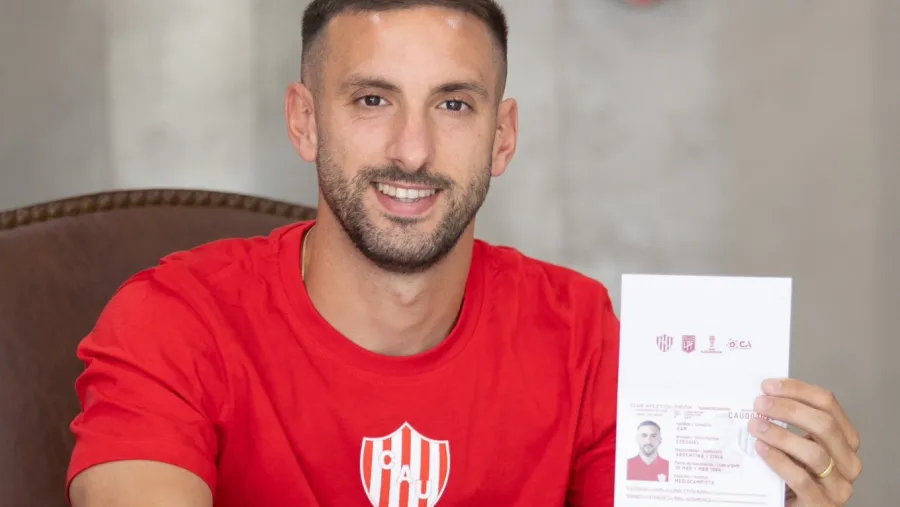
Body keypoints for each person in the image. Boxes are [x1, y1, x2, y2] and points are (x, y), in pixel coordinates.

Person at [65, 1, 863, 506]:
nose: (412, 150)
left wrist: (776, 489)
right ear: (305, 121)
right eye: (372, 99)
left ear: (502, 136)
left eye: (453, 103)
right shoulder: (172, 324)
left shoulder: (578, 331)